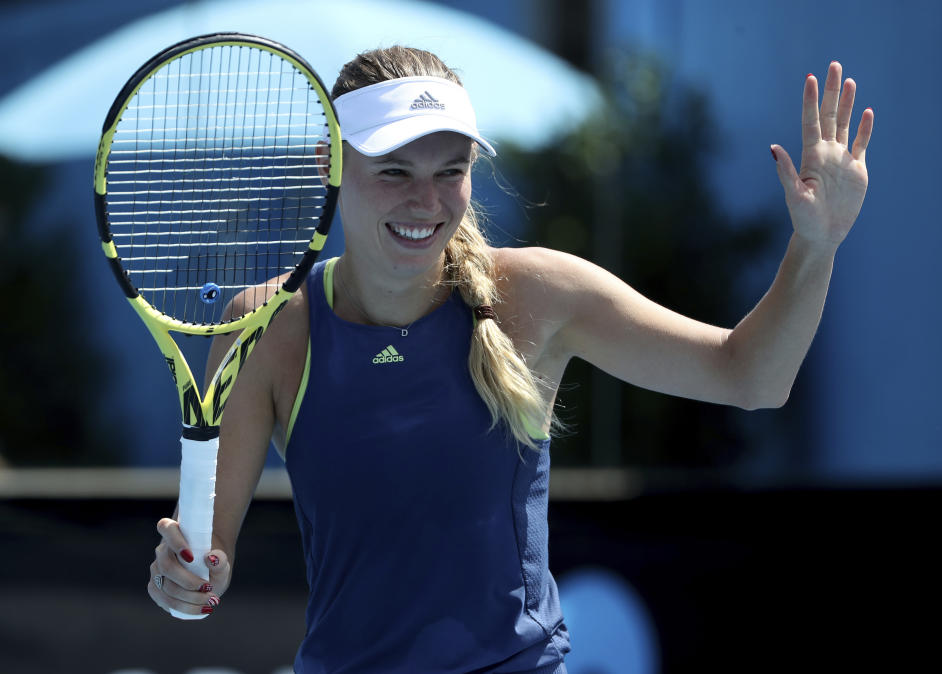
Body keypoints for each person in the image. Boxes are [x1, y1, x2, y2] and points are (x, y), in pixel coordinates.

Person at [146, 46, 873, 672]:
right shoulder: (267, 325)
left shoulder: (541, 292)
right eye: (394, 171)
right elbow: (208, 558)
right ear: (329, 166)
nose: (426, 200)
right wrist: (186, 579)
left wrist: (816, 247)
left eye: (450, 170)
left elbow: (752, 376)